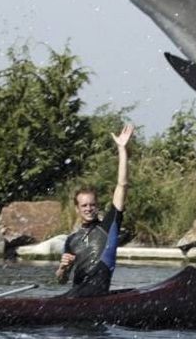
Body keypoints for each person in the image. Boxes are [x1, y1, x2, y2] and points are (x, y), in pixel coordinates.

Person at [55, 124, 133, 297]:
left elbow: (122, 185)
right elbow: (61, 280)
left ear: (97, 205)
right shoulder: (72, 240)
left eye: (92, 205)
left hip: (96, 293)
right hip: (76, 295)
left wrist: (122, 149)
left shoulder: (107, 226)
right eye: (84, 205)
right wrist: (63, 268)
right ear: (77, 208)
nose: (89, 209)